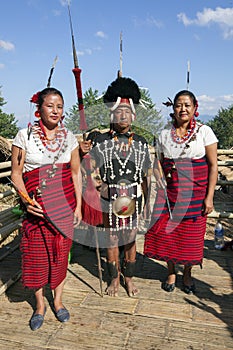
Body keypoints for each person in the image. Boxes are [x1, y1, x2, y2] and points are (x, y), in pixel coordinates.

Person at [11, 87, 82, 330]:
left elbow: (75, 173)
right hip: (36, 211)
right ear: (39, 108)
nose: (55, 110)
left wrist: (79, 207)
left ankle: (58, 301)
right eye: (50, 105)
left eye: (59, 106)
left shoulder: (69, 137)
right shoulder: (25, 136)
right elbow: (16, 174)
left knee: (61, 256)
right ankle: (40, 305)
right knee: (36, 257)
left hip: (65, 208)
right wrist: (27, 202)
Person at [80, 77, 152, 297]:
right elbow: (85, 169)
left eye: (127, 111)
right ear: (111, 113)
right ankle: (113, 278)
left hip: (134, 198)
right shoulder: (99, 140)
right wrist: (81, 154)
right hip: (109, 199)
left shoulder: (140, 142)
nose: (123, 115)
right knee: (111, 239)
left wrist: (148, 203)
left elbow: (146, 177)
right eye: (119, 111)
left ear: (134, 115)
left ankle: (128, 278)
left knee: (130, 240)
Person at [144, 90, 218, 294]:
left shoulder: (205, 132)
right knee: (169, 235)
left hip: (196, 196)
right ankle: (170, 272)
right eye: (178, 105)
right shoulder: (164, 134)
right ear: (173, 108)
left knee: (191, 239)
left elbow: (213, 166)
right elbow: (159, 162)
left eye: (187, 105)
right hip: (170, 194)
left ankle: (187, 273)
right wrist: (158, 177)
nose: (182, 109)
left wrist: (209, 197)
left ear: (195, 108)